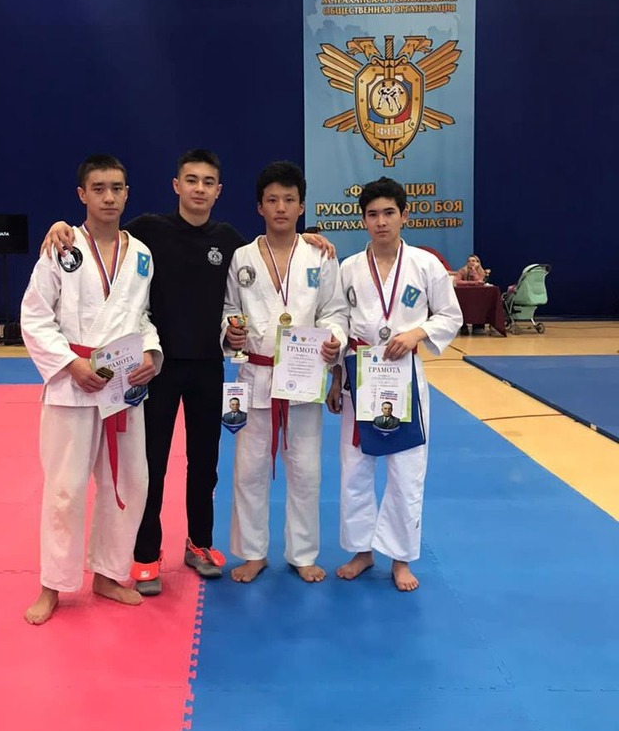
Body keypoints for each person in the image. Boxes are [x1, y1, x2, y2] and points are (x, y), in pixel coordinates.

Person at [42, 149, 337, 596]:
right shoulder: (147, 231)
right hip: (154, 368)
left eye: (208, 182)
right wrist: (61, 227)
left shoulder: (232, 242)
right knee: (151, 464)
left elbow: (265, 266)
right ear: (176, 185)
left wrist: (310, 238)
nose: (199, 189)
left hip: (208, 366)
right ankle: (145, 554)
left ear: (219, 191)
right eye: (191, 180)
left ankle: (199, 543)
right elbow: (103, 232)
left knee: (205, 463)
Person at [20, 154, 162, 625]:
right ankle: (53, 585)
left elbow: (141, 317)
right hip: (72, 383)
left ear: (127, 193)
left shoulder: (141, 254)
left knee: (131, 482)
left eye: (116, 188)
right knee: (65, 488)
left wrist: (151, 353)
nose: (108, 197)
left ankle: (108, 572)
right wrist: (70, 363)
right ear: (82, 194)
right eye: (98, 188)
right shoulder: (61, 247)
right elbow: (35, 316)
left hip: (122, 385)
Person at [326, 177, 462, 591]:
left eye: (389, 213)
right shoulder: (349, 268)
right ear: (362, 220)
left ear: (405, 215)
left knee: (407, 470)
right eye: (373, 215)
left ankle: (401, 557)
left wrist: (417, 333)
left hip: (404, 376)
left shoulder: (425, 264)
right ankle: (362, 550)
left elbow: (450, 315)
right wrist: (335, 376)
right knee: (354, 468)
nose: (381, 222)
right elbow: (338, 321)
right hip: (359, 374)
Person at [223, 161, 345, 584]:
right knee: (249, 471)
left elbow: (334, 311)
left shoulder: (320, 255)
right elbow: (229, 308)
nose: (280, 207)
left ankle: (302, 553)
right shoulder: (242, 257)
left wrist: (334, 339)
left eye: (289, 200)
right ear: (259, 206)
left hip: (303, 376)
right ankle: (252, 552)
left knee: (306, 471)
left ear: (301, 206)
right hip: (255, 377)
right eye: (272, 200)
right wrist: (230, 331)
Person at [455, 254, 490, 335]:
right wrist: (472, 283)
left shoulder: (481, 272)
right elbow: (458, 282)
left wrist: (473, 270)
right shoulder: (462, 270)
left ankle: (478, 327)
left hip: (478, 296)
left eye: (473, 261)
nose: (471, 263)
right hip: (464, 295)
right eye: (469, 261)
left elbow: (479, 282)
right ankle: (464, 327)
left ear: (478, 262)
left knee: (480, 305)